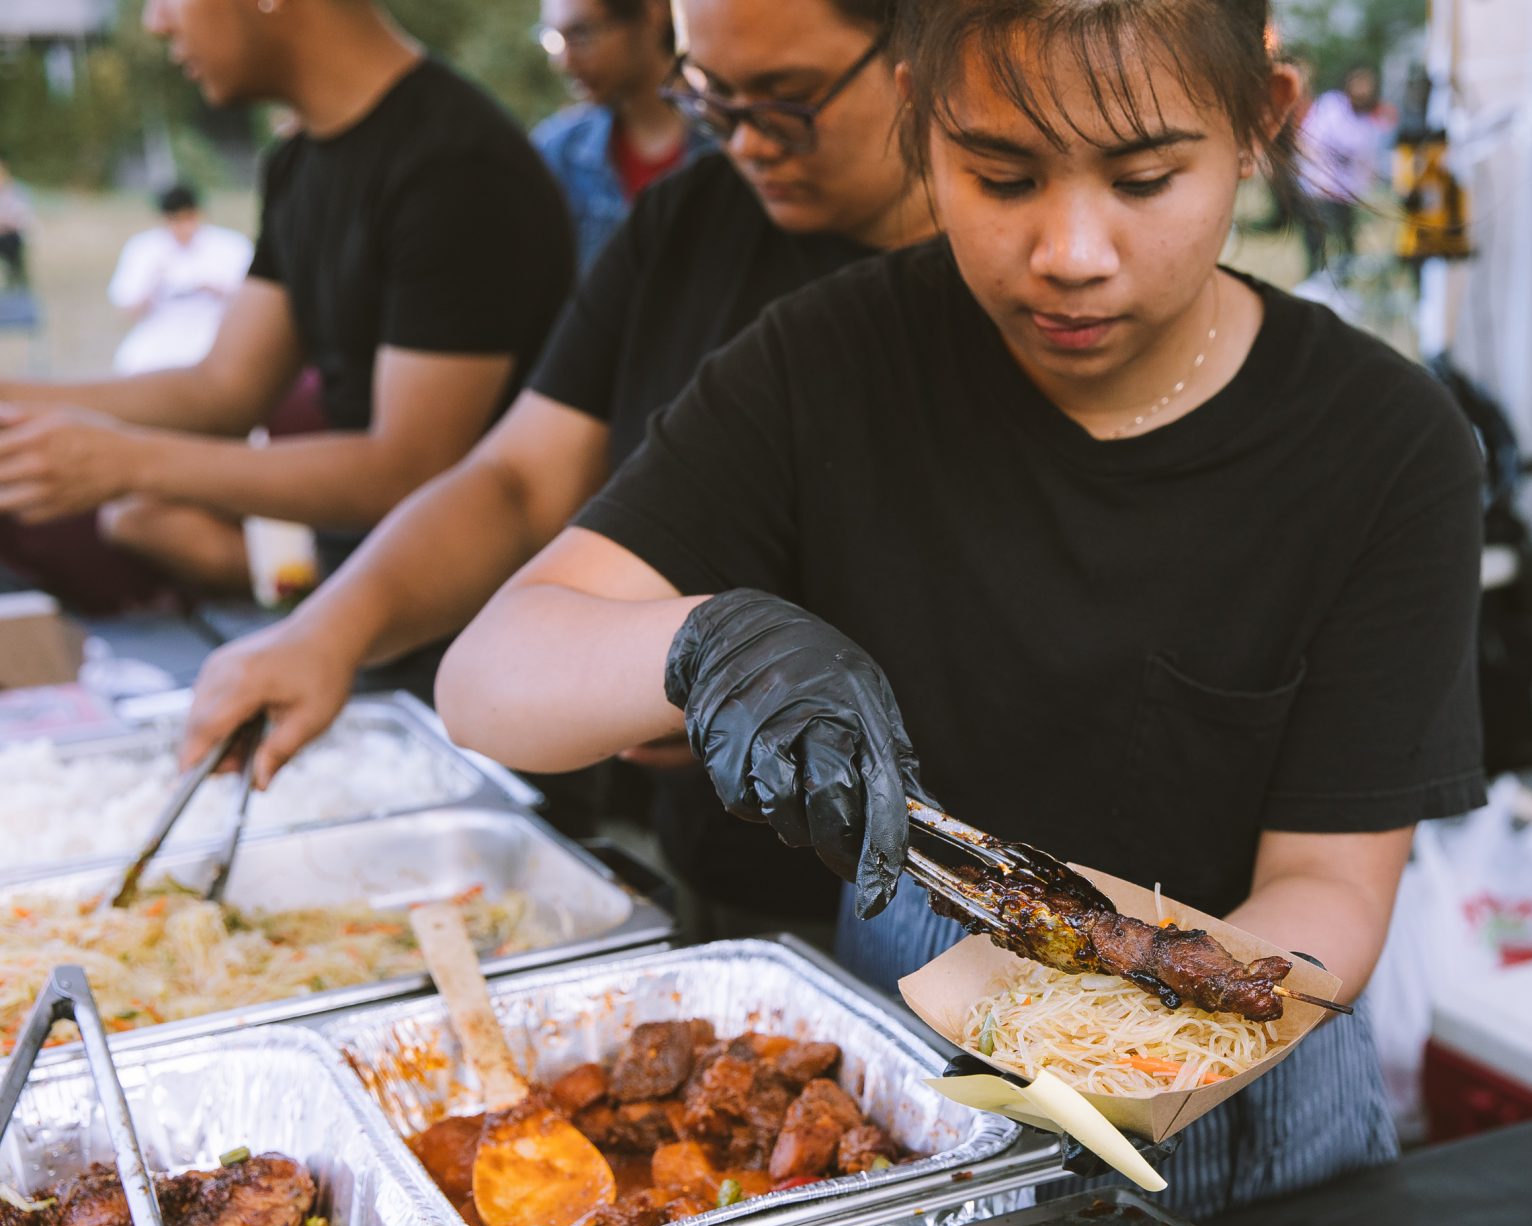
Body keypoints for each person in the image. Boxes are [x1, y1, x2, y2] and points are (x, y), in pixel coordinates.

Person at [435, 0, 1486, 1217]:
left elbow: (1329, 883)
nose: (1071, 251)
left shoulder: (1384, 446)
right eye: (1000, 176)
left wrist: (1114, 1062)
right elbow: (489, 678)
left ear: (1260, 124)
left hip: (1248, 1128)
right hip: (905, 1085)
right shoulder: (828, 360)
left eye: (1144, 179)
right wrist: (700, 642)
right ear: (919, 130)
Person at [179, 0, 930, 926]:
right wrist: (327, 633)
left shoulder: (1027, 298)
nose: (744, 143)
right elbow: (519, 479)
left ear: (916, 52)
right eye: (710, 98)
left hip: (963, 881)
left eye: (786, 100)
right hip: (739, 875)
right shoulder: (690, 227)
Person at [0, 0, 574, 606]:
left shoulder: (456, 168)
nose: (156, 22)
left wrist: (132, 462)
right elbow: (223, 388)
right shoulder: (299, 163)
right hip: (364, 587)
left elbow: (409, 468)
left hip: (472, 613)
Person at [532, 0, 708, 271]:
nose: (563, 62)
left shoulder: (733, 141)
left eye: (581, 33)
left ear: (653, 12)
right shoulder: (557, 154)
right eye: (554, 39)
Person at [108, 183, 254, 376]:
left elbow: (252, 301)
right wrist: (153, 284)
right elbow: (127, 307)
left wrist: (212, 288)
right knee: (131, 364)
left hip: (213, 326)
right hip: (161, 329)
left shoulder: (231, 246)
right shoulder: (143, 248)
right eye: (174, 220)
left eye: (187, 218)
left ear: (198, 214)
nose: (181, 227)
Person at [1298, 67, 1394, 275]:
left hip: (1345, 195)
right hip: (1319, 190)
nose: (1362, 90)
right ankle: (1314, 278)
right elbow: (1309, 141)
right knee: (1316, 243)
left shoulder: (1369, 122)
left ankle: (1341, 282)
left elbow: (1367, 163)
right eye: (1359, 83)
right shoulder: (1332, 107)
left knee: (1345, 243)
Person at [0, 161, 32, 291]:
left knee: (15, 262)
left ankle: (18, 283)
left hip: (12, 235)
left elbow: (22, 215)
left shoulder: (16, 190)